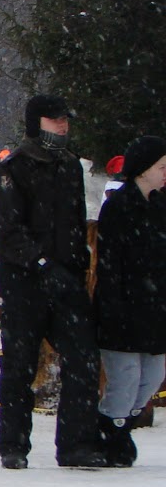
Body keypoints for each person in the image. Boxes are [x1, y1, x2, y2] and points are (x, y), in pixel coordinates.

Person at [0, 94, 106, 470]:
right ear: (36, 122)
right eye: (56, 119)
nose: (63, 126)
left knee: (84, 360)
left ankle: (76, 443)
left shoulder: (70, 166)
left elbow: (74, 222)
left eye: (65, 120)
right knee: (20, 365)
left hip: (67, 279)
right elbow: (9, 233)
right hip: (26, 283)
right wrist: (41, 265)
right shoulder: (14, 169)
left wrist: (76, 266)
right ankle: (13, 444)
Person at [92, 135, 166, 467]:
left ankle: (123, 425)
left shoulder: (160, 205)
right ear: (143, 169)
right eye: (161, 167)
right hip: (123, 307)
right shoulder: (119, 206)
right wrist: (113, 307)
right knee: (125, 376)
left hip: (155, 309)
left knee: (151, 374)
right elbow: (111, 264)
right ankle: (112, 430)